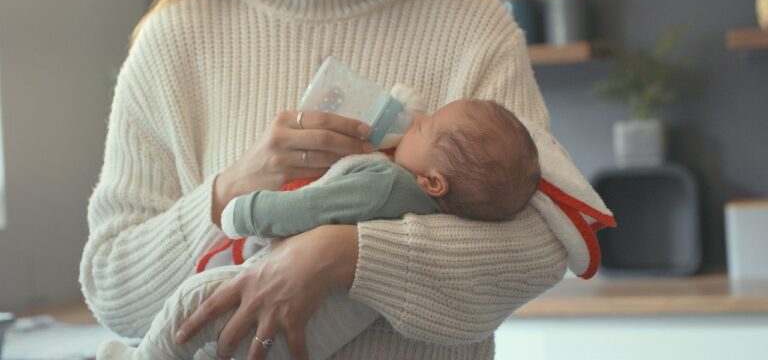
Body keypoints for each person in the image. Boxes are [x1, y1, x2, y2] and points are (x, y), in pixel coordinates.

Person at [80, 0, 575, 359]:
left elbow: (544, 244)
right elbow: (114, 289)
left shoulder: (473, 26)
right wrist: (231, 188)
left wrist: (345, 255)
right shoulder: (175, 39)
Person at [97, 98, 541, 359]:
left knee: (193, 304)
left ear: (433, 180)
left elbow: (307, 208)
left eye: (424, 126)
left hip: (277, 302)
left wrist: (239, 209)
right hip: (321, 336)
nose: (415, 116)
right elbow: (110, 281)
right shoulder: (440, 213)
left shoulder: (385, 181)